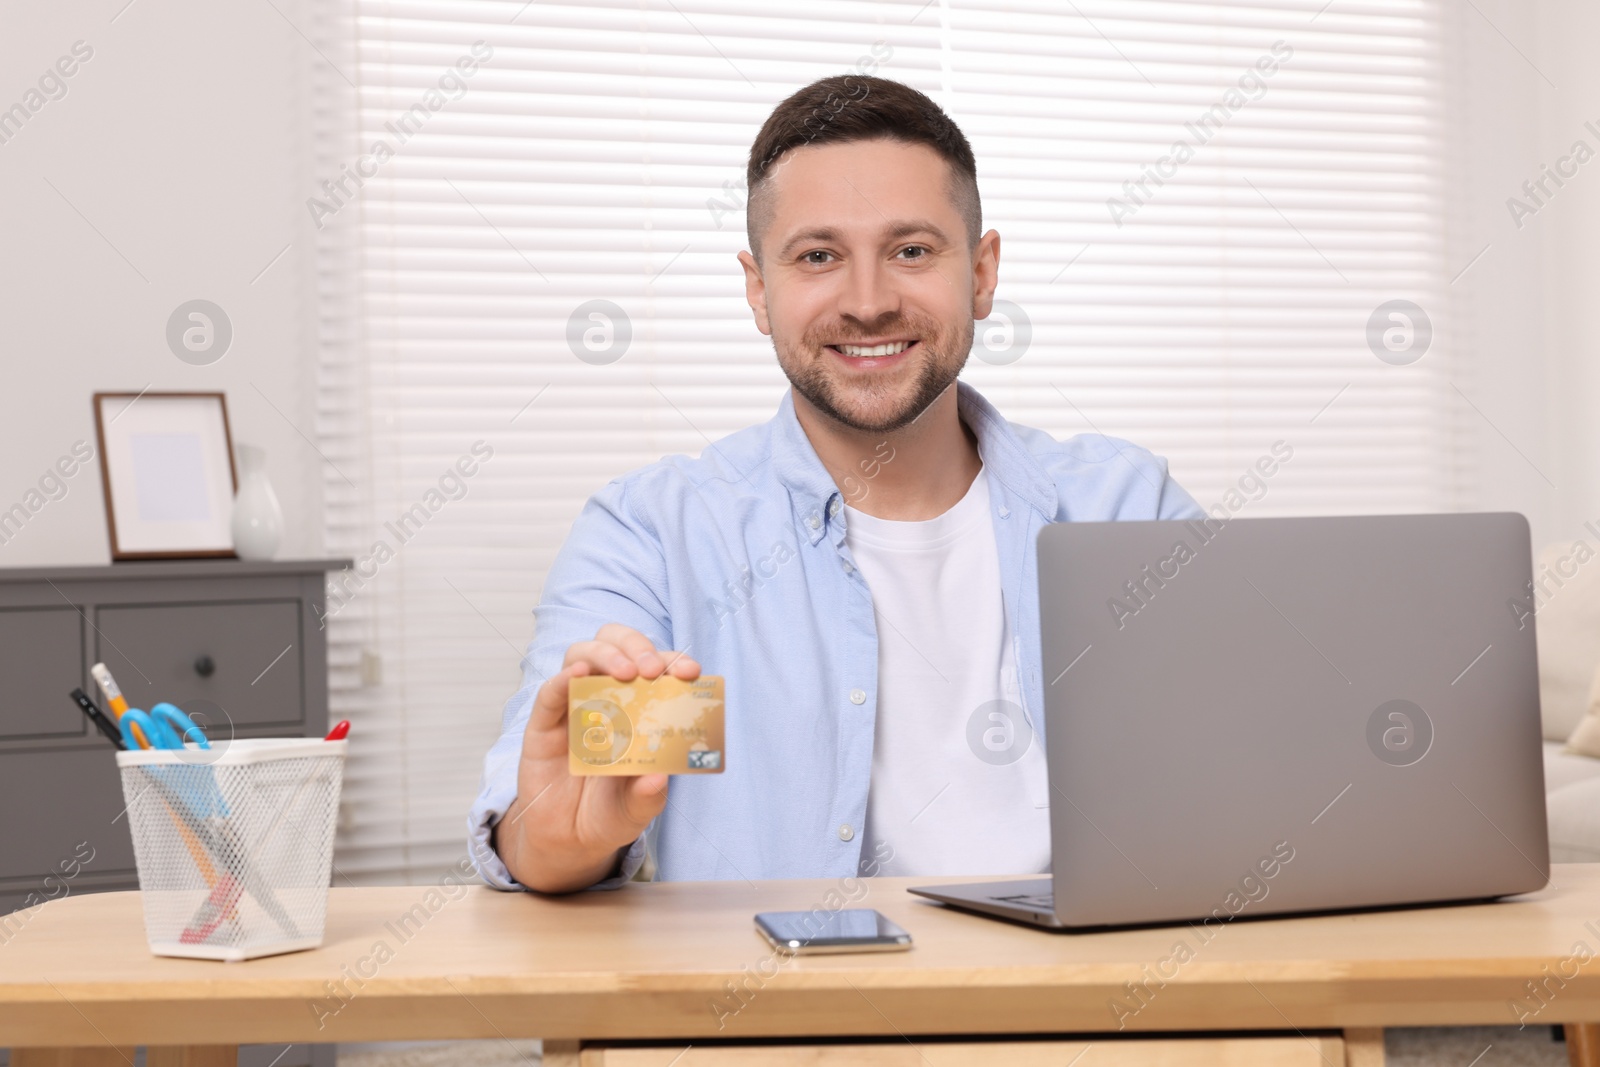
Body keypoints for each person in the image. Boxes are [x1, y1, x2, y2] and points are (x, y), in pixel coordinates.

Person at [470, 75, 1203, 894]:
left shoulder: (1125, 510)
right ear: (759, 289)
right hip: (792, 1016)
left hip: (1095, 1007)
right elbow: (548, 831)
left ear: (983, 272)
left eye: (912, 251)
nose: (868, 303)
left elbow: (1238, 785)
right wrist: (567, 839)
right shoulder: (660, 536)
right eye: (818, 256)